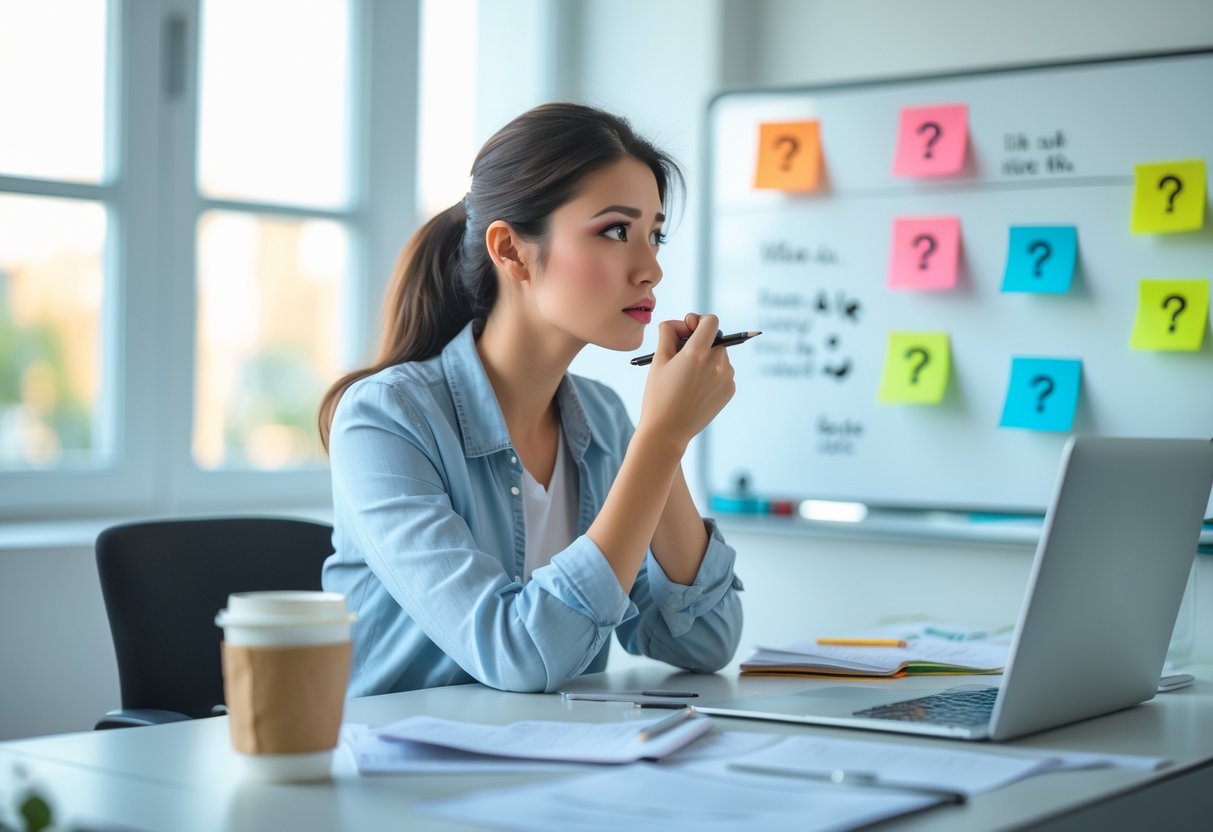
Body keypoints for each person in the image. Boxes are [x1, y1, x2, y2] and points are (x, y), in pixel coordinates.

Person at [319, 103, 744, 696]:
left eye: (655, 234)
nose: (651, 269)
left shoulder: (604, 419)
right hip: (402, 775)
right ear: (512, 251)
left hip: (556, 769)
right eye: (616, 231)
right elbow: (514, 652)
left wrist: (661, 441)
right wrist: (661, 439)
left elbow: (703, 643)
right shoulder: (383, 420)